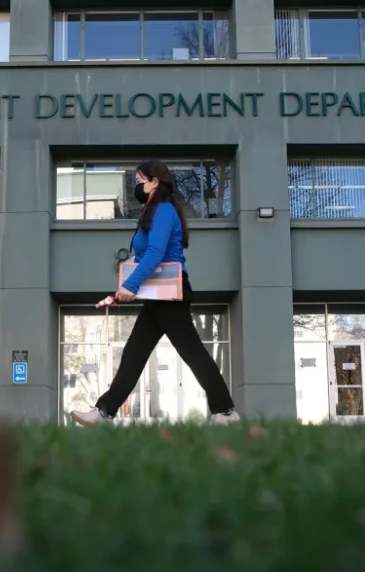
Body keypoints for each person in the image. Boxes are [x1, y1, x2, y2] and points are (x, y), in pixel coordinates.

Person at [70, 159, 241, 426]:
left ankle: (226, 412)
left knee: (192, 352)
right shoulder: (152, 211)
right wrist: (127, 285)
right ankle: (104, 412)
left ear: (155, 182)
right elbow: (144, 256)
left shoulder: (164, 210)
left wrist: (131, 285)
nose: (136, 186)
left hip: (171, 294)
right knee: (134, 353)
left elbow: (155, 253)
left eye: (139, 182)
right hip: (158, 296)